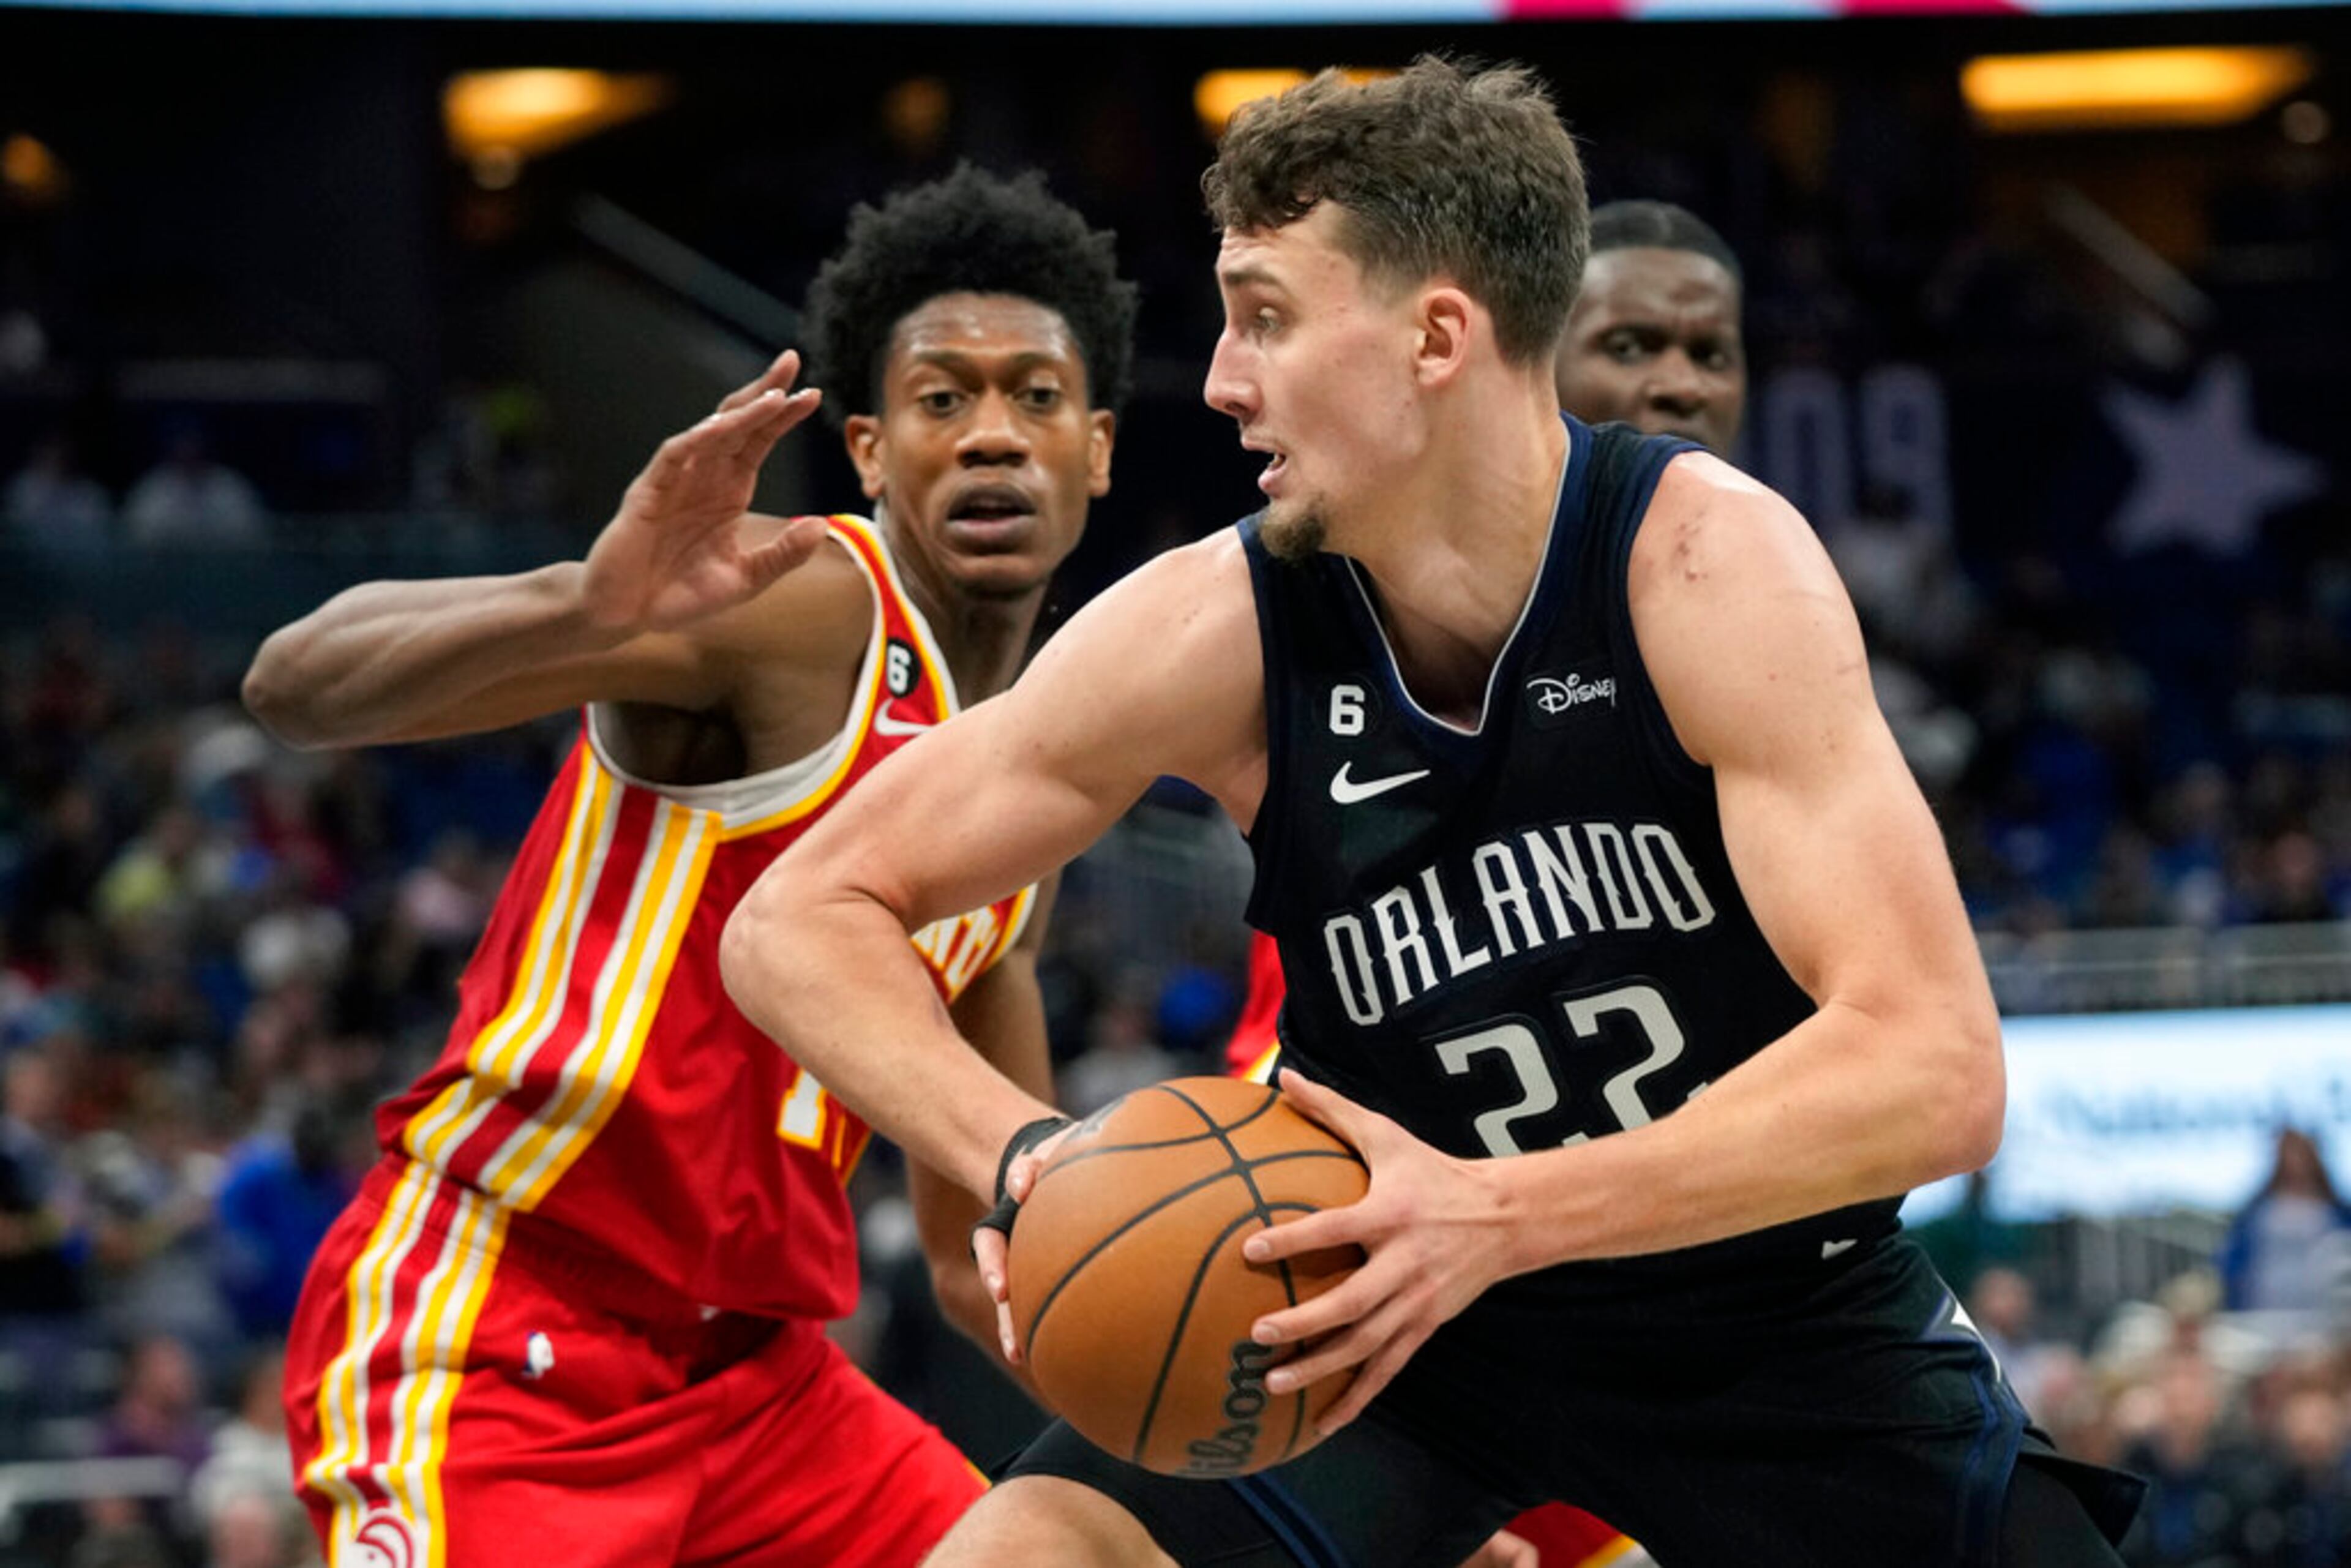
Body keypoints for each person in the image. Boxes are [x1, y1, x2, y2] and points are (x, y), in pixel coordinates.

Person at [721, 59, 2143, 1567]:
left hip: (1764, 1314)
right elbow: (795, 919)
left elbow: (1934, 1073)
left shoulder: (1704, 569)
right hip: (1387, 1325)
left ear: (1437, 337)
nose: (1218, 380)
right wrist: (1025, 1156)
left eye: (1265, 315)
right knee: (1020, 1555)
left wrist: (1495, 1214)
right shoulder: (1221, 624)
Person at [241, 163, 1136, 1567]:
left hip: (758, 1393)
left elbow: (987, 1260)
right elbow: (297, 685)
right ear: (864, 448)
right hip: (505, 1320)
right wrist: (589, 607)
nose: (990, 437)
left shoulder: (1034, 791)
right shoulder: (804, 609)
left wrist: (1262, 1459)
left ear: (1097, 451)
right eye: (941, 399)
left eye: (1035, 396)